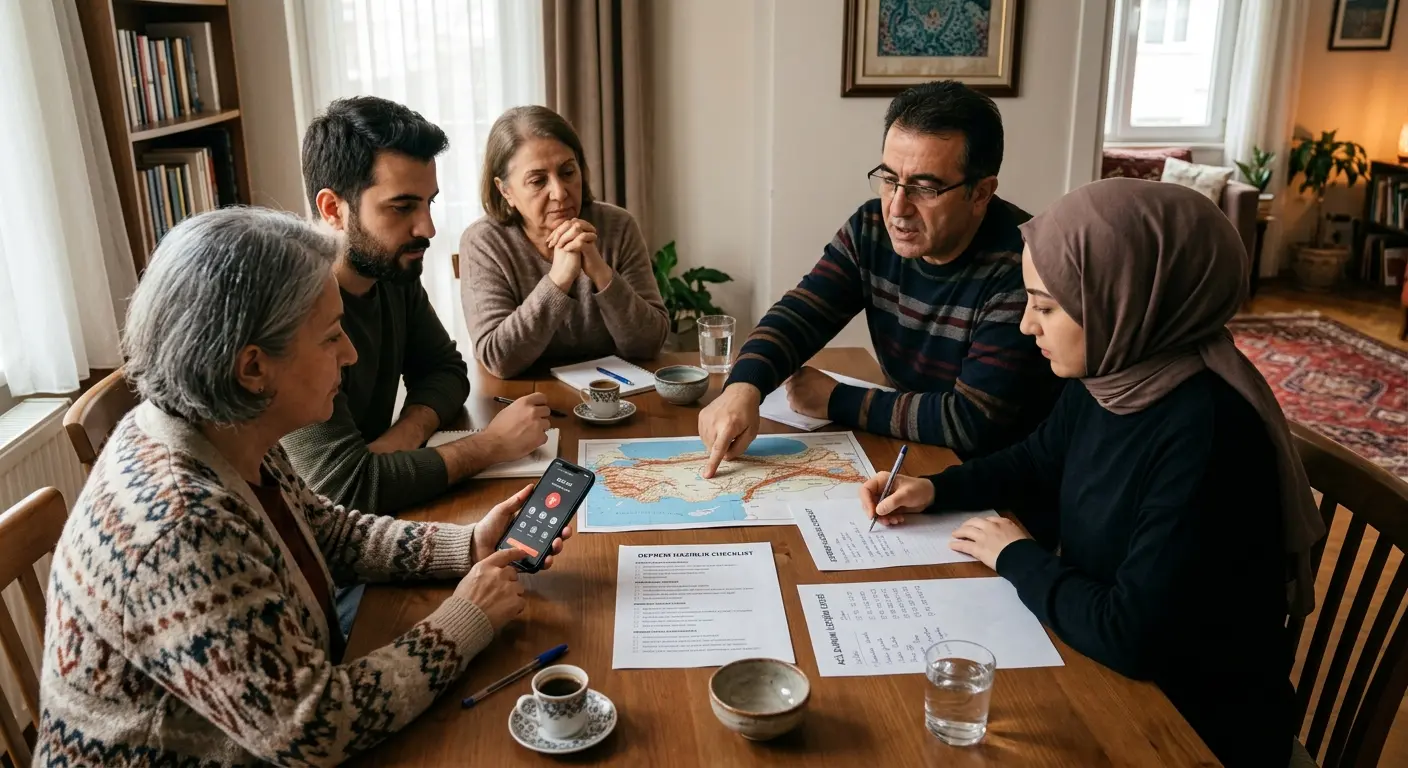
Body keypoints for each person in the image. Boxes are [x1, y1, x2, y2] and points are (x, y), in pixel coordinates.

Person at [34, 208, 573, 766]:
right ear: (253, 368)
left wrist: (467, 544)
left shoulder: (228, 427)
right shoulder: (182, 527)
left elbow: (324, 531)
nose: (351, 353)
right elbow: (314, 726)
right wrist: (465, 618)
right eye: (332, 336)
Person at [861, 178, 1326, 767]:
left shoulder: (1208, 434)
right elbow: (1036, 459)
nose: (1027, 326)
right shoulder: (1114, 375)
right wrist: (934, 488)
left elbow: (1132, 635)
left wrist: (1016, 555)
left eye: (1046, 307)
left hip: (1188, 728)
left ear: (1125, 299)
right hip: (1113, 676)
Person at [698, 80, 1060, 478]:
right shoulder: (871, 228)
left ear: (981, 193)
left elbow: (971, 420)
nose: (897, 208)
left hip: (993, 480)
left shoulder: (1025, 263)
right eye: (889, 179)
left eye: (924, 188)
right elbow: (801, 313)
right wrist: (743, 387)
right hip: (915, 453)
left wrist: (836, 400)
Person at [283, 96, 550, 519]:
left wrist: (404, 434)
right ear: (333, 209)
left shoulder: (392, 273)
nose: (427, 228)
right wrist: (492, 444)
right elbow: (345, 487)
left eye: (429, 203)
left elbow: (445, 370)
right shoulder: (291, 309)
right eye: (402, 207)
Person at [459, 105, 669, 378]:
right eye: (538, 181)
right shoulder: (483, 242)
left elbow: (650, 344)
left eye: (568, 172)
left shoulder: (619, 226)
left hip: (612, 392)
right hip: (524, 396)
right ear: (505, 190)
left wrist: (601, 273)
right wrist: (558, 281)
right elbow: (499, 359)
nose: (560, 193)